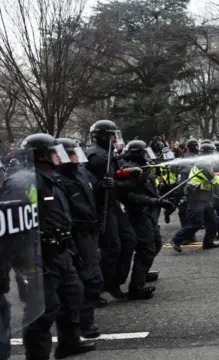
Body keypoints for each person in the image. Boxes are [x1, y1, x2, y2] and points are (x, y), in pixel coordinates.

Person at [21, 134, 97, 359]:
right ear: (41, 155)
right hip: (41, 255)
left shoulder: (52, 178)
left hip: (63, 250)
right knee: (42, 312)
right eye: (54, 152)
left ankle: (69, 343)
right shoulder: (27, 182)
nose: (59, 156)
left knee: (73, 296)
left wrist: (72, 248)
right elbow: (20, 220)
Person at [55, 138, 104, 338]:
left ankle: (84, 320)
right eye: (72, 153)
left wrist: (105, 185)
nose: (76, 157)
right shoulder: (58, 181)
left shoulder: (82, 172)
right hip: (75, 234)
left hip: (90, 231)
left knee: (92, 277)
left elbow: (95, 190)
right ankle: (84, 323)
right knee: (86, 279)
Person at [85, 120, 138, 301]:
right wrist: (101, 185)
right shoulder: (93, 155)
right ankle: (95, 288)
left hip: (113, 204)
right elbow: (86, 182)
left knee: (129, 240)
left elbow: (116, 176)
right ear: (102, 136)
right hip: (102, 206)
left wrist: (129, 175)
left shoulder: (109, 154)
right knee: (111, 247)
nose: (114, 138)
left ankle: (114, 281)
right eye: (111, 135)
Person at [120, 140, 173, 300]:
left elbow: (151, 188)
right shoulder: (130, 171)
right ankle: (136, 288)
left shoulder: (143, 168)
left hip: (149, 213)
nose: (146, 156)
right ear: (137, 154)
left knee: (156, 243)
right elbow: (129, 196)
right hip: (138, 214)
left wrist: (161, 201)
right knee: (146, 249)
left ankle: (142, 272)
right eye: (144, 153)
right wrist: (155, 202)